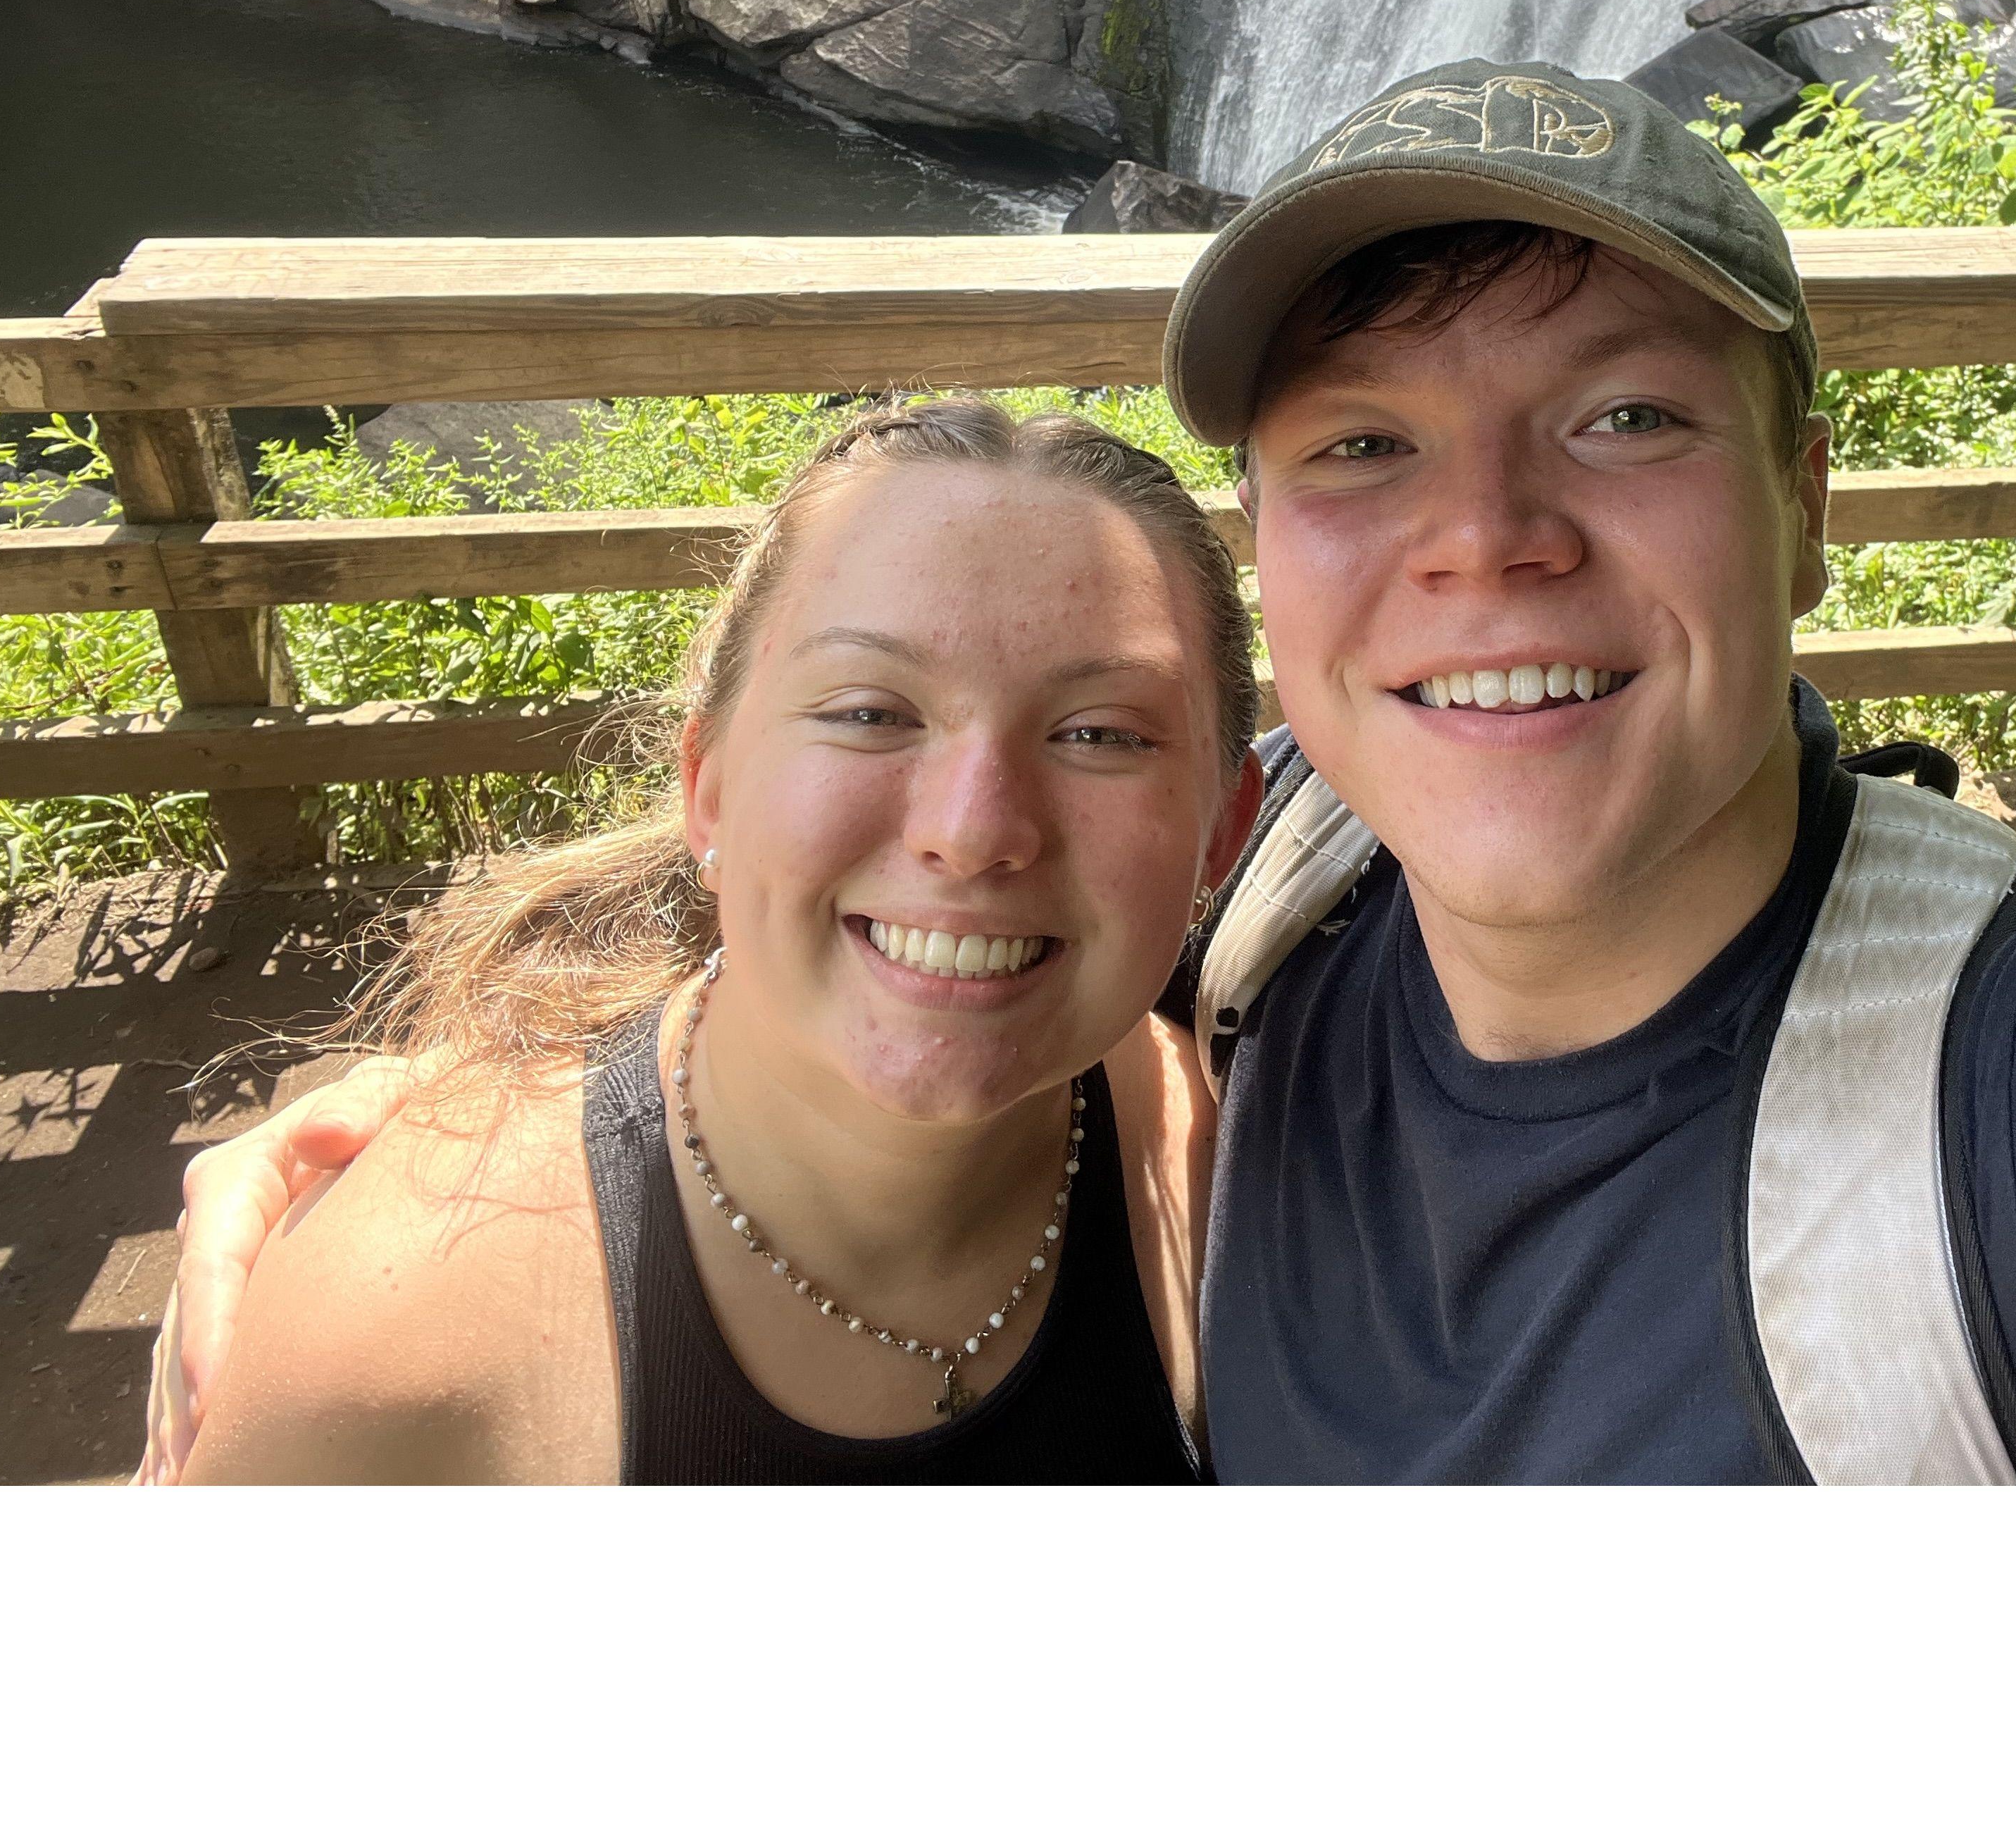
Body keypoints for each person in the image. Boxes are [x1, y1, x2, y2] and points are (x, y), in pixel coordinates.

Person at [156, 62, 2016, 1483]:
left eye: (1627, 415)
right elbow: (950, 875)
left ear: (1804, 498)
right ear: (1279, 637)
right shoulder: (1302, 891)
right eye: (1361, 451)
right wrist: (474, 1107)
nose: (1489, 544)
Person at [163, 399, 1261, 1484]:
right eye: (870, 712)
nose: (973, 832)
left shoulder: (1259, 1181)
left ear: (1225, 828)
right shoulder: (395, 1335)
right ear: (709, 786)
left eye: (1100, 734)